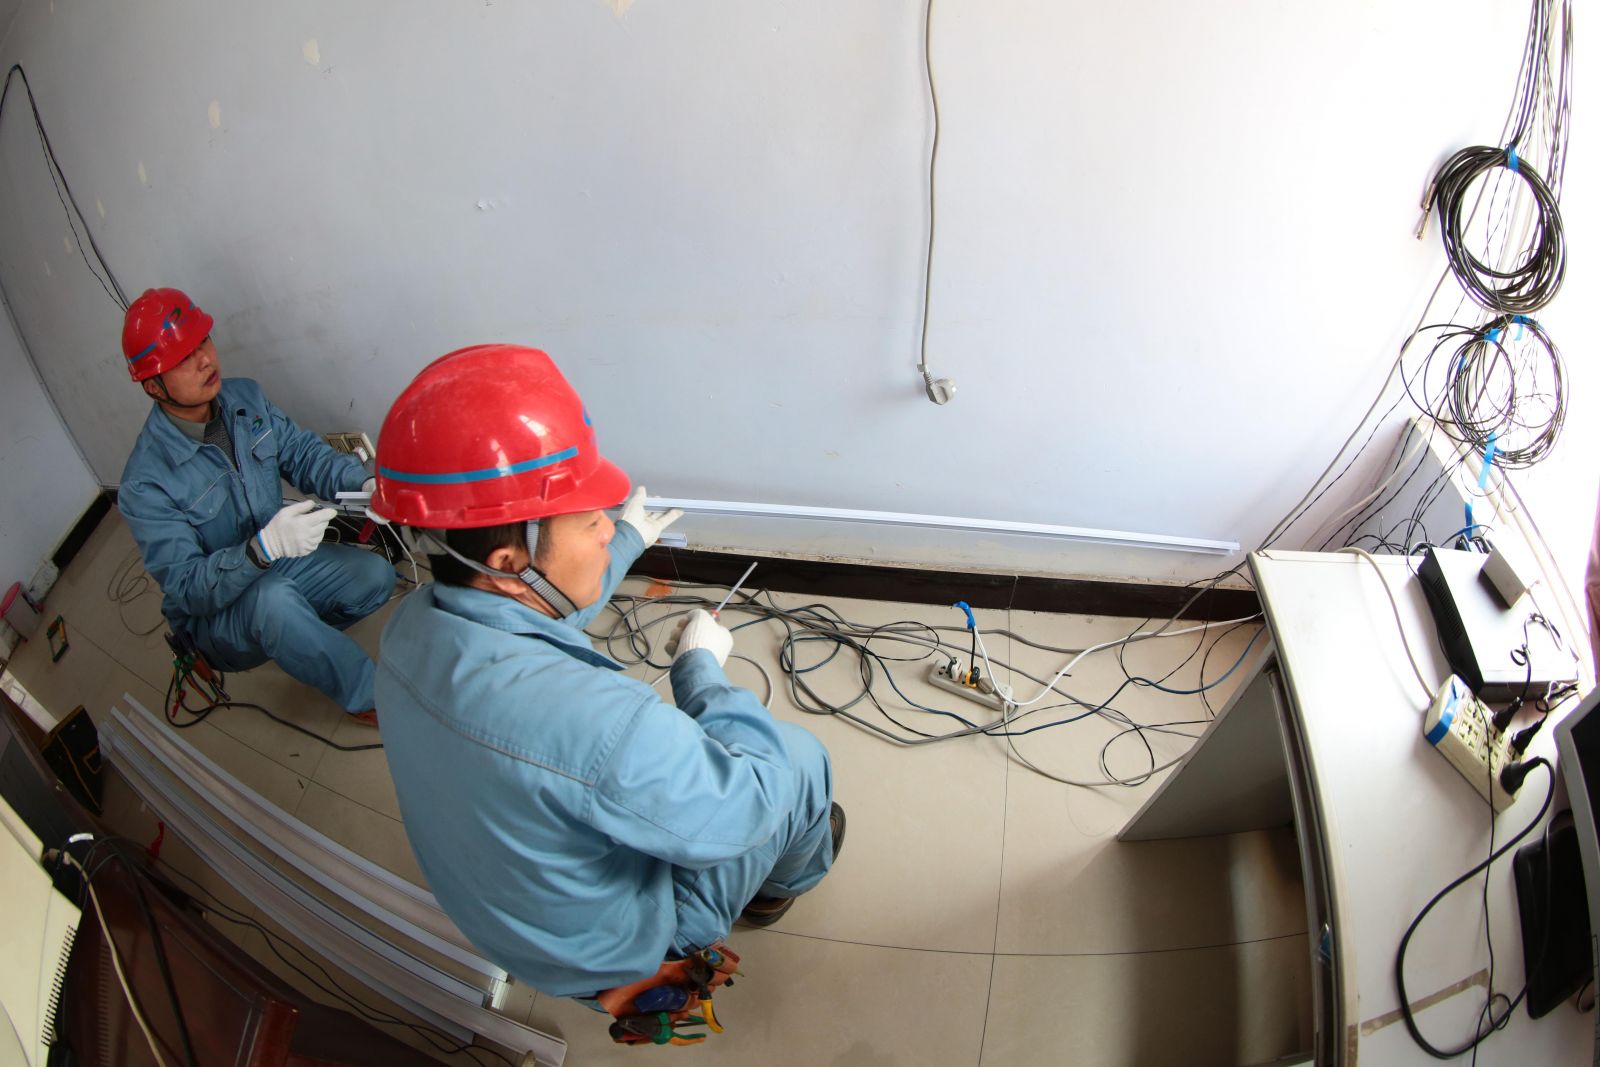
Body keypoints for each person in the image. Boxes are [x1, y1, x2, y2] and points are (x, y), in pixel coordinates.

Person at [369, 344, 842, 998]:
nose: (605, 527)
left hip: (512, 920)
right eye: (591, 520)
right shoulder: (602, 724)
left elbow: (534, 614)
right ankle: (776, 889)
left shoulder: (410, 627)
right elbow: (747, 808)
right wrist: (700, 670)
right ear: (509, 562)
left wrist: (627, 541)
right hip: (626, 952)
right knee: (798, 762)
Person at [117, 287, 395, 720]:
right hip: (217, 613)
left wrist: (366, 485)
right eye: (183, 358)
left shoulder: (245, 398)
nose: (205, 360)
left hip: (276, 564)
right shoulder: (145, 484)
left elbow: (304, 456)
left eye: (203, 341)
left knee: (376, 577)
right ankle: (371, 698)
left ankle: (294, 640)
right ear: (154, 386)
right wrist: (260, 550)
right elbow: (189, 588)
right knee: (273, 603)